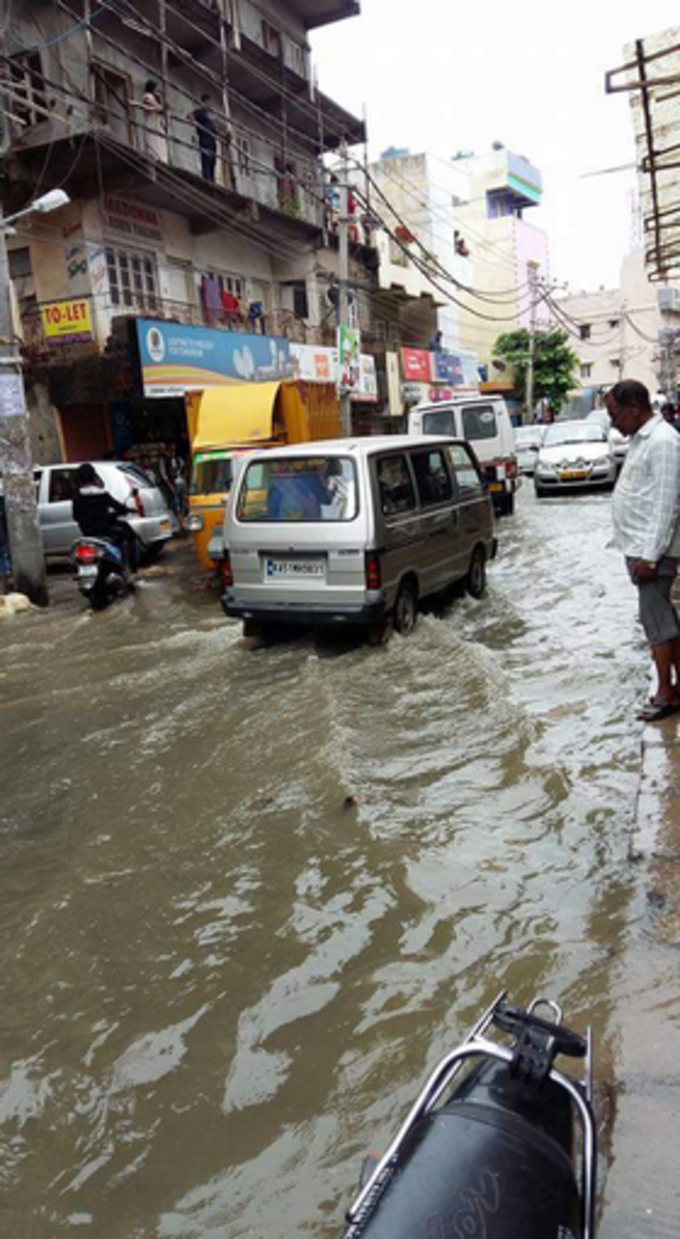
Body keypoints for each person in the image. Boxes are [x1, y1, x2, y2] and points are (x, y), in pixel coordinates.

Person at [606, 380, 680, 721]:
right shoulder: (642, 439)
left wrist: (650, 556)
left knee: (656, 622)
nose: (613, 422)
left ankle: (666, 692)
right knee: (662, 619)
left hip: (653, 551)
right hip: (640, 546)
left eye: (615, 414)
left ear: (634, 407)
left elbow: (667, 504)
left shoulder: (663, 442)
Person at [72, 464, 139, 573]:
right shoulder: (102, 493)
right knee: (128, 536)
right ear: (94, 476)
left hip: (87, 533)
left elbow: (75, 516)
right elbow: (118, 506)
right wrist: (127, 509)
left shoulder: (77, 495)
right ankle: (129, 568)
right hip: (105, 532)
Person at [134, 81, 168, 162]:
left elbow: (161, 109)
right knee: (153, 143)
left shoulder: (156, 98)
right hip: (151, 123)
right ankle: (155, 159)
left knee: (160, 144)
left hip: (158, 124)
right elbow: (155, 106)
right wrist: (161, 107)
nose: (158, 91)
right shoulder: (147, 96)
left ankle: (162, 161)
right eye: (156, 89)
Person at [190, 96, 218, 182]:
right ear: (204, 102)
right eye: (208, 103)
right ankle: (207, 180)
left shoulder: (210, 116)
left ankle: (212, 181)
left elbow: (215, 130)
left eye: (210, 103)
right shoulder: (199, 112)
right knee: (206, 160)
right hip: (205, 140)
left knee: (212, 162)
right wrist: (195, 124)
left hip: (212, 141)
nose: (210, 105)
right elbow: (189, 116)